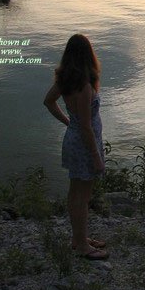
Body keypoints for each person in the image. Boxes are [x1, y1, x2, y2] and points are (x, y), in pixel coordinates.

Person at [44, 34, 109, 260]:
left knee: (76, 193)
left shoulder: (65, 80)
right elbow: (86, 127)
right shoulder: (85, 86)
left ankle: (78, 238)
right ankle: (82, 246)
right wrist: (96, 156)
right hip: (84, 145)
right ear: (89, 55)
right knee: (82, 195)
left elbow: (48, 101)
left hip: (74, 140)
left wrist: (67, 121)